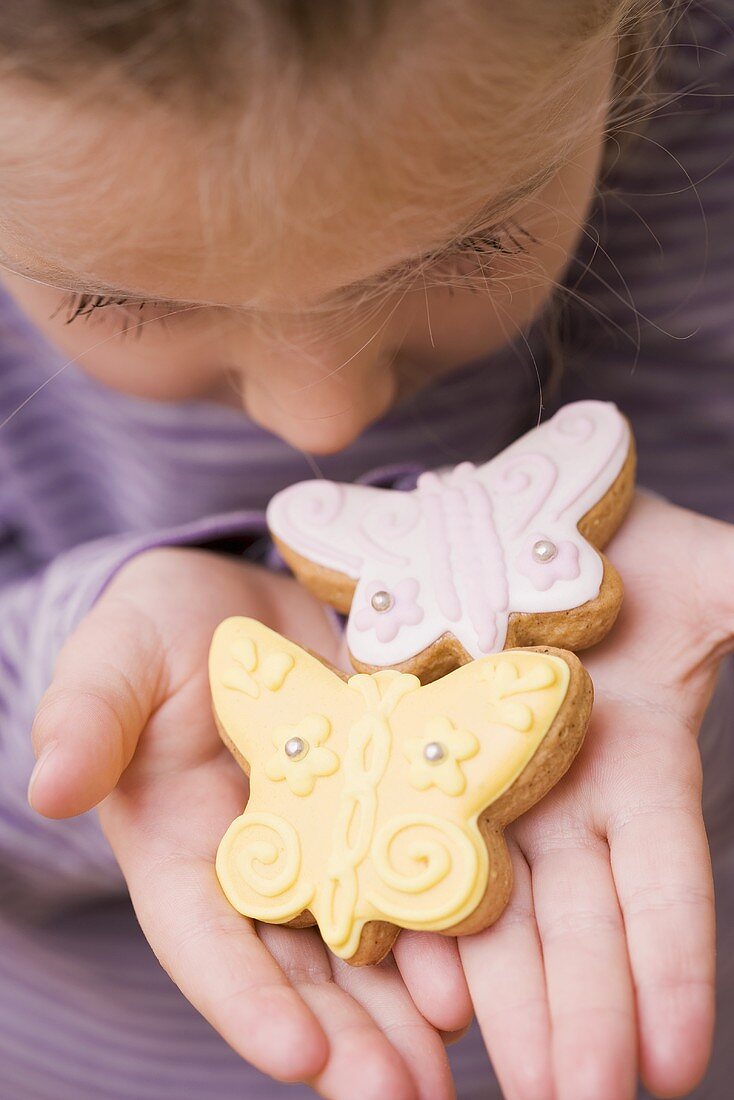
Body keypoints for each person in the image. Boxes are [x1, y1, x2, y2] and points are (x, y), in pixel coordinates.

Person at [0, 1, 732, 1097]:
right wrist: (83, 686)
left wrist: (689, 688)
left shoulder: (700, 106)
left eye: (468, 246)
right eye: (124, 300)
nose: (322, 420)